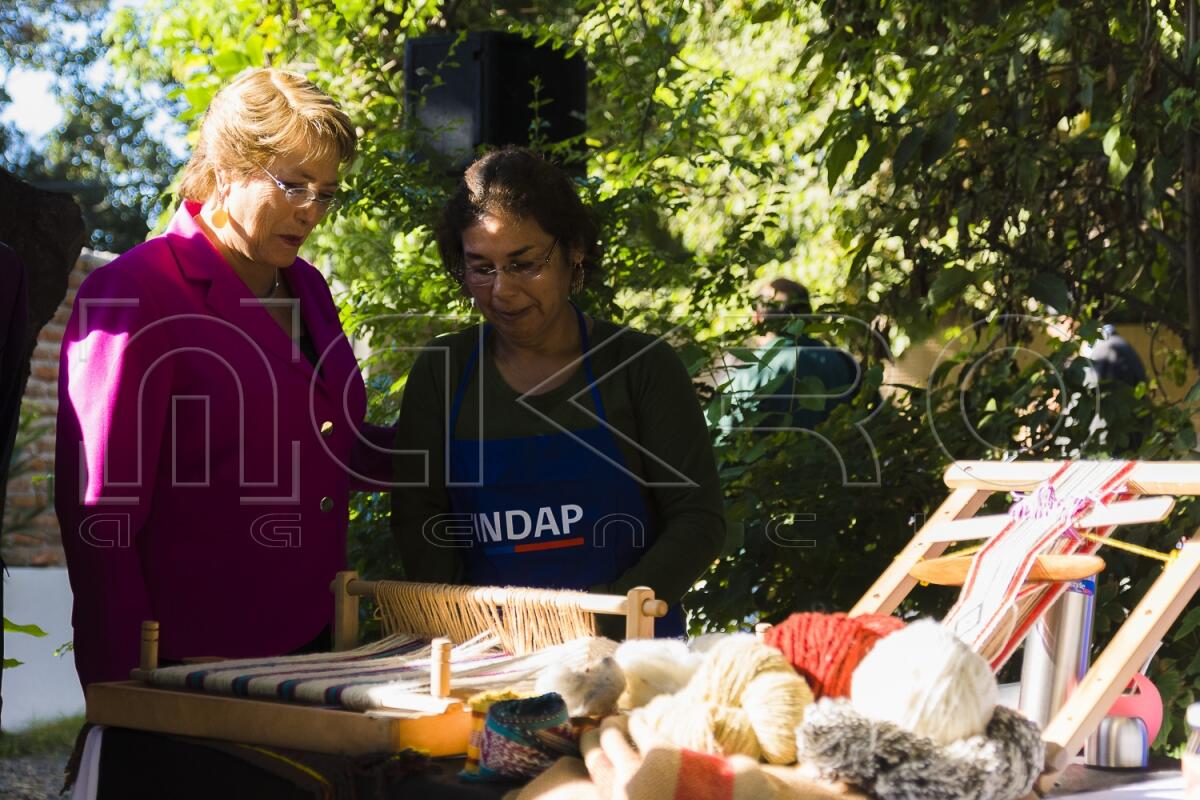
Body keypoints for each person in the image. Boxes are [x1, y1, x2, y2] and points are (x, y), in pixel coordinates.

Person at [56, 68, 391, 690]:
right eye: (293, 184)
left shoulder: (309, 287)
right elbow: (99, 517)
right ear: (227, 166)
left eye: (326, 191)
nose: (313, 210)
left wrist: (468, 443)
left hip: (315, 643)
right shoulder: (133, 292)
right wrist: (123, 689)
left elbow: (325, 441)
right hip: (188, 664)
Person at [390, 147, 724, 638]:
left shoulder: (641, 367)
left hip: (632, 661)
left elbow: (698, 520)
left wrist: (600, 627)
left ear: (574, 251)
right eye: (481, 267)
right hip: (487, 659)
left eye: (525, 264)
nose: (502, 291)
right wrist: (472, 634)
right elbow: (420, 521)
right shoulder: (443, 374)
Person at [719, 278, 866, 433]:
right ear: (808, 316)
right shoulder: (845, 362)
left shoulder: (743, 379)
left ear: (758, 318)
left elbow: (718, 441)